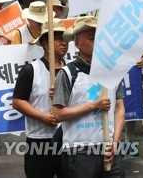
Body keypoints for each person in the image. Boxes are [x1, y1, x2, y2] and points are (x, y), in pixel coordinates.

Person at [53, 17, 125, 177]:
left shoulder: (112, 71)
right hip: (79, 151)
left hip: (109, 149)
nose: (98, 43)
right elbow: (58, 114)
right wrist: (92, 106)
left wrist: (114, 143)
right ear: (77, 43)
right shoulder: (67, 73)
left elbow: (119, 108)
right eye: (92, 38)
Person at [12, 19, 68, 178]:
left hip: (70, 139)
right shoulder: (31, 70)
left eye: (65, 39)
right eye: (57, 39)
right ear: (44, 43)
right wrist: (42, 116)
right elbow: (17, 101)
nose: (64, 43)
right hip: (40, 140)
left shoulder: (72, 70)